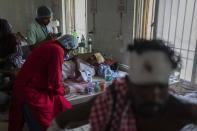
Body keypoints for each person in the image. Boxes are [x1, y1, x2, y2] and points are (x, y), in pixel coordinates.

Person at [47, 39, 197, 131]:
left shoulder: (180, 111)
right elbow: (66, 118)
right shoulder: (115, 97)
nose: (153, 94)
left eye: (160, 85)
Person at [8, 34, 78, 131]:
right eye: (71, 50)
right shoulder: (57, 51)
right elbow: (55, 79)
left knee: (61, 104)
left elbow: (50, 74)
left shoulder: (50, 45)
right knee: (55, 108)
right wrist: (63, 89)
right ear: (68, 47)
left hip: (28, 84)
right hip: (29, 90)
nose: (70, 53)